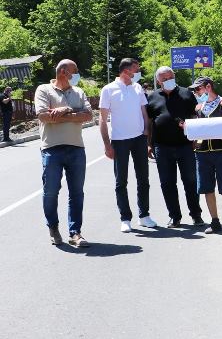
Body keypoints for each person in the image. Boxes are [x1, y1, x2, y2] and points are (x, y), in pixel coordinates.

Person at [35, 60, 93, 247]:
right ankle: (53, 227)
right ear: (63, 71)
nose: (77, 75)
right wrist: (73, 115)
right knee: (51, 192)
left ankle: (75, 232)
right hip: (51, 148)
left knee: (76, 193)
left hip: (77, 148)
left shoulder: (78, 92)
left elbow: (88, 115)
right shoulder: (43, 90)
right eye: (74, 71)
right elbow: (44, 117)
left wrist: (65, 110)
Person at [100, 58, 158, 232]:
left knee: (143, 178)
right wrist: (107, 145)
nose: (138, 72)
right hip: (119, 140)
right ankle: (125, 218)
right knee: (121, 181)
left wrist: (147, 136)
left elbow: (144, 114)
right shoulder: (108, 89)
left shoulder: (138, 88)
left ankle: (144, 215)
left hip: (139, 138)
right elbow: (102, 119)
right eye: (135, 69)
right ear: (126, 71)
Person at [147, 66, 203, 228]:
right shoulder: (152, 97)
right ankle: (175, 216)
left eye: (170, 77)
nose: (168, 80)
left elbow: (195, 116)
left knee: (191, 182)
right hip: (162, 148)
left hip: (186, 146)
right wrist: (149, 144)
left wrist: (196, 137)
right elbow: (149, 123)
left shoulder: (187, 93)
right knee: (167, 183)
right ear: (158, 81)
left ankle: (196, 215)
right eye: (164, 79)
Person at [189, 76, 222, 235]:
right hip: (202, 153)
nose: (196, 93)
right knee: (206, 188)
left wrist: (204, 129)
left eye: (198, 89)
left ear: (208, 87)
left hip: (221, 151)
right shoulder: (198, 107)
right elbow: (196, 129)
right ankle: (215, 221)